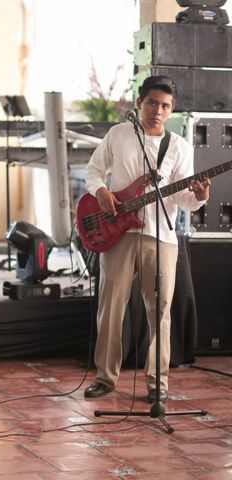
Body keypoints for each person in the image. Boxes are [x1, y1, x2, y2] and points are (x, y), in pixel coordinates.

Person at [83, 75, 210, 403]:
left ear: (172, 110)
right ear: (139, 103)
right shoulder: (118, 135)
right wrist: (100, 191)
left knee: (161, 311)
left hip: (161, 237)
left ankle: (158, 383)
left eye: (165, 106)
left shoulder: (180, 147)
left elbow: (183, 200)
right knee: (110, 307)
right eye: (152, 103)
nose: (158, 110)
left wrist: (199, 195)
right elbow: (93, 171)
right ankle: (105, 377)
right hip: (119, 234)